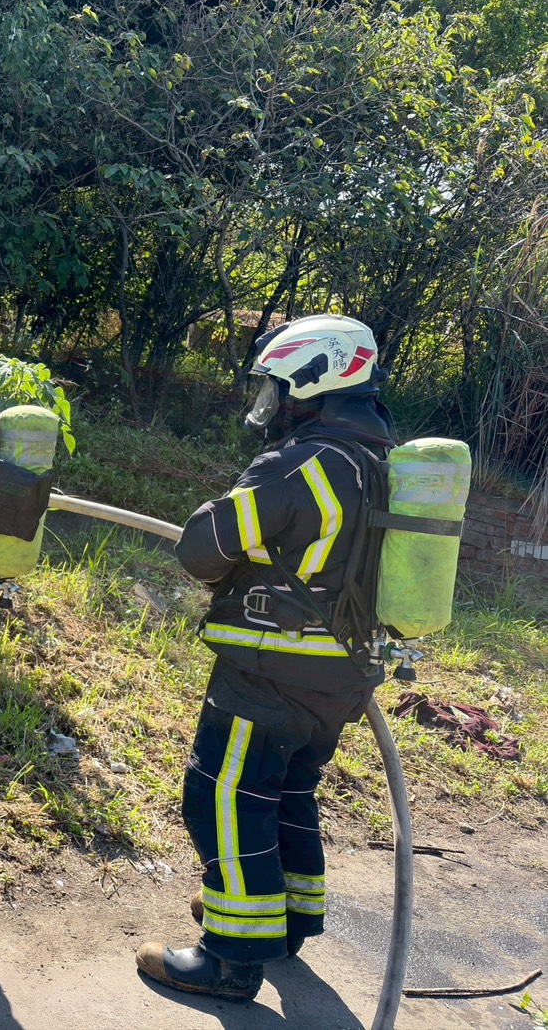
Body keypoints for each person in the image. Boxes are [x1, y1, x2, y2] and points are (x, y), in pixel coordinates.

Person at [136, 314, 398, 1001]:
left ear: (313, 382)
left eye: (277, 387)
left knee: (221, 798)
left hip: (268, 672)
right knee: (285, 794)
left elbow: (201, 549)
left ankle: (229, 961)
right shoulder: (377, 460)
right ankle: (282, 921)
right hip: (337, 678)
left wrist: (210, 512)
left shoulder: (302, 462)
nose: (271, 403)